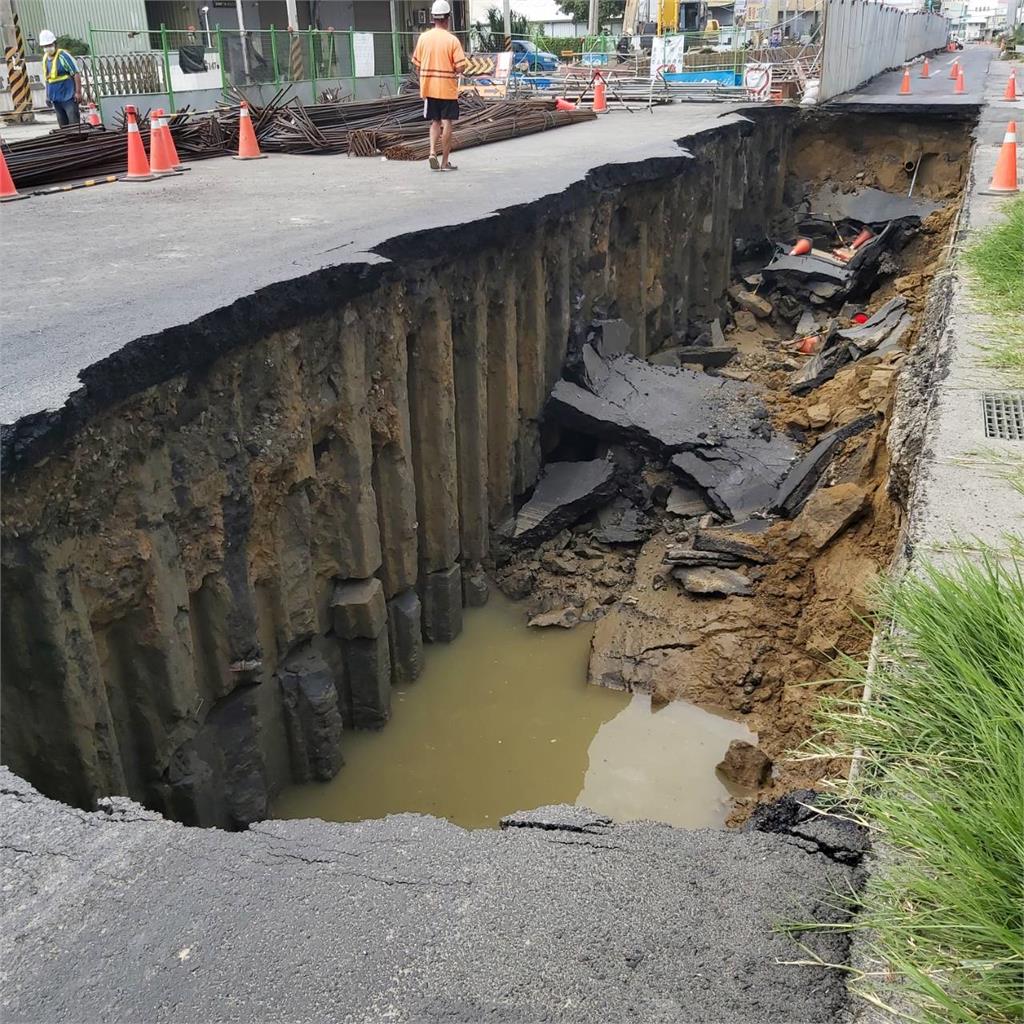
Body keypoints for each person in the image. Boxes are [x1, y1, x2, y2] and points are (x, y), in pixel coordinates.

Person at [410, 0, 467, 171]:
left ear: (433, 18)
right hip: (447, 89)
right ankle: (444, 162)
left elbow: (417, 63)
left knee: (435, 122)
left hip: (429, 87)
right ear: (448, 18)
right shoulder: (452, 40)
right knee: (447, 122)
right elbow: (460, 66)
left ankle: (432, 152)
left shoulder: (423, 38)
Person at [39, 29, 82, 128]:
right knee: (62, 125)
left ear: (54, 44)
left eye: (49, 45)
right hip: (56, 98)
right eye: (45, 46)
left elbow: (76, 73)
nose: (47, 48)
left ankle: (76, 141)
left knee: (73, 123)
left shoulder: (63, 56)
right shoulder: (45, 59)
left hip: (68, 96)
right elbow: (47, 79)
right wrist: (47, 96)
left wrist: (78, 92)